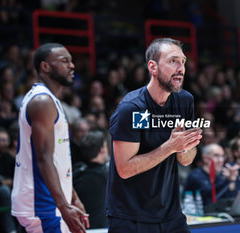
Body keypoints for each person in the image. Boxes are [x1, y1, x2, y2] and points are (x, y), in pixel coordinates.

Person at [106, 38, 202, 233]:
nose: (181, 68)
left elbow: (186, 160)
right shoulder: (134, 108)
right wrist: (170, 147)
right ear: (153, 67)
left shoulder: (185, 101)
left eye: (183, 61)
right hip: (131, 217)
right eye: (173, 61)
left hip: (171, 214)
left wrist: (184, 147)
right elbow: (124, 168)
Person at [11, 43, 89, 233]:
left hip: (48, 200)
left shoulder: (48, 99)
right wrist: (64, 207)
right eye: (64, 61)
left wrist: (73, 198)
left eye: (71, 61)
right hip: (43, 202)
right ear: (45, 66)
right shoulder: (42, 102)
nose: (72, 65)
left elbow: (58, 160)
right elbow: (44, 159)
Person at [73, 130, 109, 228]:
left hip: (79, 228)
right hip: (101, 229)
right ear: (102, 150)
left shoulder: (75, 171)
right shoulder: (107, 174)